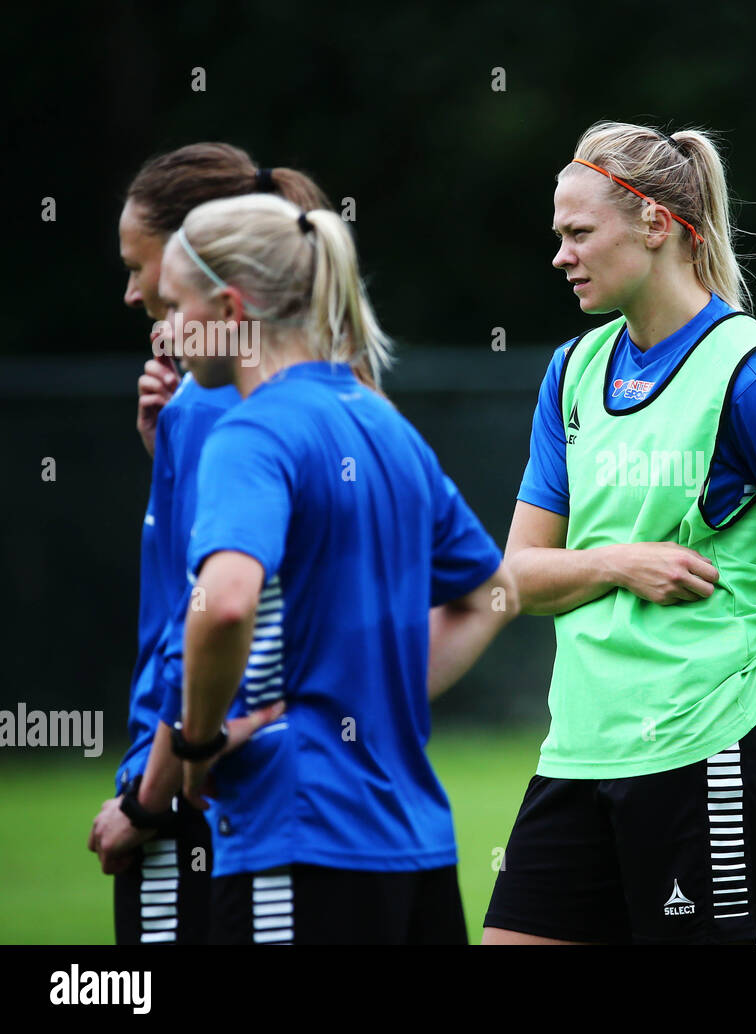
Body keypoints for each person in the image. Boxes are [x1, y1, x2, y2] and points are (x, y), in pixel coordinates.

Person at [483, 121, 756, 945]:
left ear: (655, 225)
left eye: (578, 233)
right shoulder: (571, 373)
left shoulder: (749, 374)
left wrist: (745, 616)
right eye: (558, 235)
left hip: (707, 751)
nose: (561, 255)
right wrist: (620, 565)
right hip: (578, 752)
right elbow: (515, 579)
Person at [154, 192, 517, 944]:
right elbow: (490, 594)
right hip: (417, 849)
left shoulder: (249, 435)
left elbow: (224, 604)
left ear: (227, 306)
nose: (165, 331)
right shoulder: (386, 424)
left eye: (174, 305)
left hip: (299, 839)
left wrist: (193, 747)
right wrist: (369, 688)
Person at [87, 144, 332, 944]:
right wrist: (170, 457)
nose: (132, 293)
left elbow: (210, 615)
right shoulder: (312, 391)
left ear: (198, 257)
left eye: (141, 267)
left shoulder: (221, 406)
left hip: (207, 787)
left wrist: (147, 798)